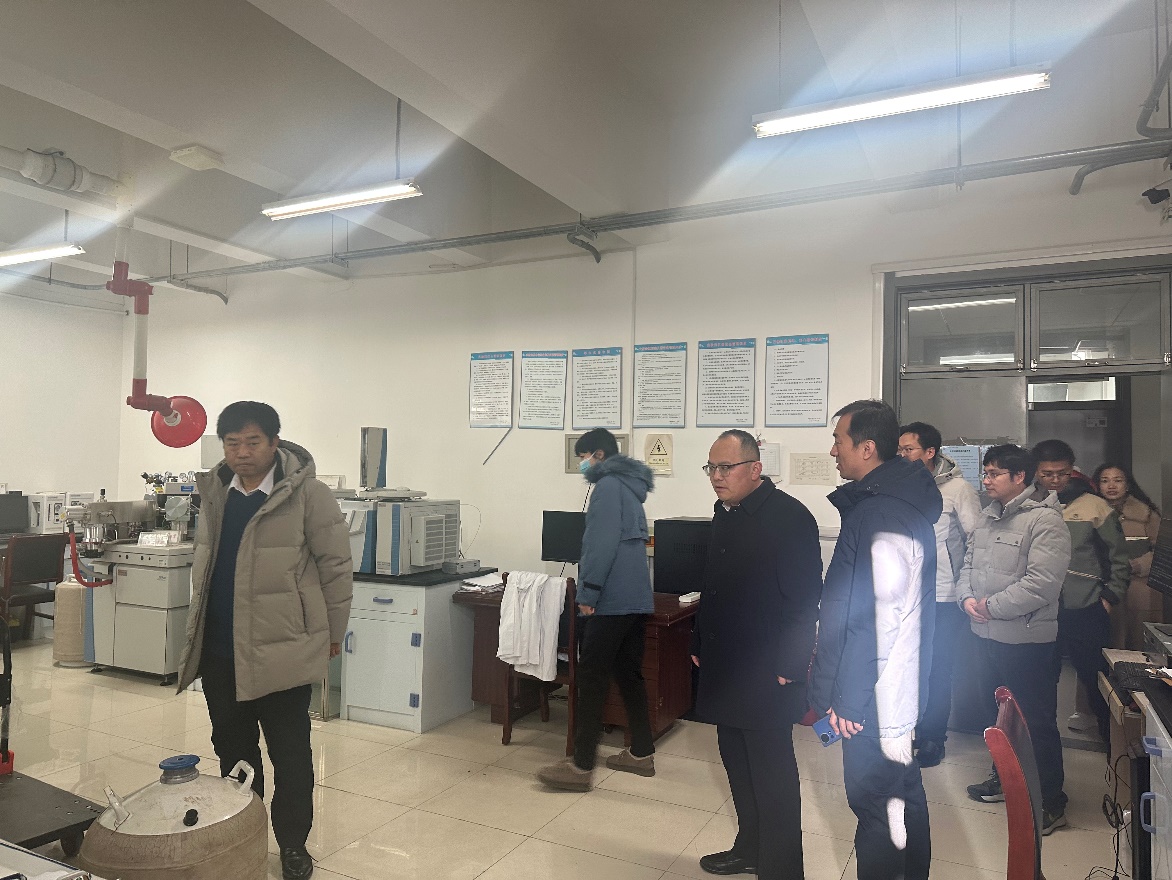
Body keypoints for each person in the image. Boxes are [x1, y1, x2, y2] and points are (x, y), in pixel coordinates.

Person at [176, 401, 353, 880]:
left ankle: (293, 844)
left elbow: (336, 567)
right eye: (232, 443)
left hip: (283, 648)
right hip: (221, 649)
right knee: (233, 752)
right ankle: (245, 836)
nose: (242, 452)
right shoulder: (215, 491)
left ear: (275, 443)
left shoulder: (308, 495)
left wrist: (334, 632)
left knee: (291, 755)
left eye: (253, 442)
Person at [810, 400, 941, 880]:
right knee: (902, 794)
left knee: (877, 806)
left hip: (874, 697)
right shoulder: (893, 505)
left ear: (866, 448)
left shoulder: (881, 512)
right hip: (893, 687)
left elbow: (876, 619)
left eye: (839, 441)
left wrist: (849, 699)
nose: (833, 451)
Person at [690, 429, 822, 879]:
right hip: (725, 664)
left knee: (771, 772)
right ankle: (750, 848)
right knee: (736, 761)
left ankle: (782, 868)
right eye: (711, 467)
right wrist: (698, 640)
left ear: (755, 468)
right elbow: (713, 586)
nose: (716, 476)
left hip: (767, 671)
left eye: (726, 467)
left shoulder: (790, 517)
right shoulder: (725, 513)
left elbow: (805, 599)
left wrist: (791, 664)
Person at [959, 444, 1071, 835]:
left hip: (1026, 641)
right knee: (997, 717)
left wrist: (991, 606)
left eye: (994, 473)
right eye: (985, 472)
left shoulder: (1045, 521)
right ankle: (1004, 779)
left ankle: (1051, 802)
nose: (986, 480)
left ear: (1019, 477)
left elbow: (1042, 584)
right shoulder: (987, 517)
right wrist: (966, 598)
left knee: (1034, 722)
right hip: (984, 635)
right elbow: (968, 565)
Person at [537, 428, 656, 791]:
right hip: (636, 598)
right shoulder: (631, 489)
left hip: (611, 600)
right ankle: (641, 754)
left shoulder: (607, 487)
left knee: (590, 679)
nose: (582, 465)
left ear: (599, 455)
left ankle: (580, 767)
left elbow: (599, 544)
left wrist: (588, 592)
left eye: (583, 457)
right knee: (629, 675)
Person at [897, 421, 982, 768]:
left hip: (944, 595)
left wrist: (967, 587)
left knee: (937, 668)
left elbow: (977, 538)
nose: (902, 455)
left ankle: (933, 737)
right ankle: (911, 730)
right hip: (906, 594)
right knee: (907, 667)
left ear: (930, 452)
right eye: (899, 449)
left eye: (909, 449)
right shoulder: (899, 486)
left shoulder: (959, 489)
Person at [1032, 440, 1128, 742]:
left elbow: (1119, 558)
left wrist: (1109, 598)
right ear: (1035, 472)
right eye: (1047, 474)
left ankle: (1113, 745)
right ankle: (1041, 744)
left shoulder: (1093, 506)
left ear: (1071, 469)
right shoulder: (1027, 503)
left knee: (1096, 678)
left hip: (1086, 606)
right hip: (1039, 608)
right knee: (1040, 681)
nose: (1055, 480)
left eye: (1062, 473)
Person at [1093, 463, 1163, 650]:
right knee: (1109, 640)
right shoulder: (1090, 513)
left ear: (1127, 484)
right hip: (1105, 585)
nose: (1111, 486)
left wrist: (1138, 565)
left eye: (1118, 480)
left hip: (1141, 586)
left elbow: (1163, 551)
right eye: (1105, 481)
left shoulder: (1146, 514)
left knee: (1141, 641)